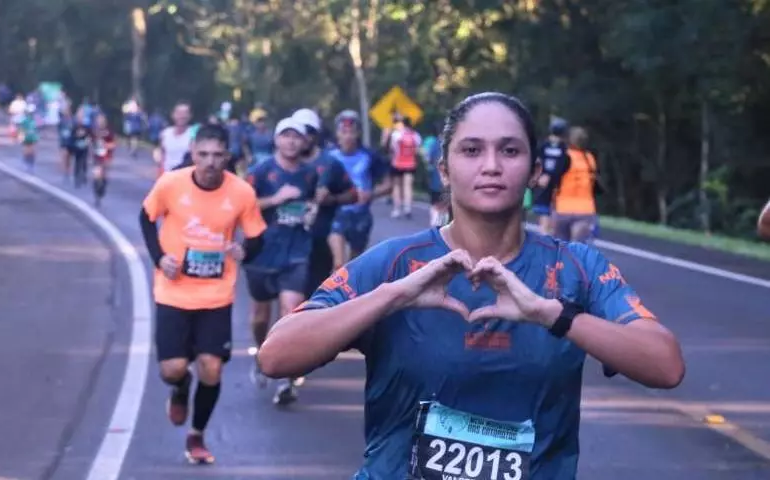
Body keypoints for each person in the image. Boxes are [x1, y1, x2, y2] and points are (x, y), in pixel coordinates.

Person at [257, 92, 685, 479]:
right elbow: (276, 356)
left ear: (535, 172)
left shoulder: (576, 267)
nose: (491, 166)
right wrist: (393, 296)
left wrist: (552, 315)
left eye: (510, 150)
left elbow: (665, 366)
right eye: (471, 150)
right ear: (444, 170)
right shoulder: (394, 264)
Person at [139, 123, 267, 464]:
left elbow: (257, 236)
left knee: (211, 368)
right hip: (173, 292)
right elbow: (146, 217)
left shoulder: (241, 193)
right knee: (172, 369)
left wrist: (245, 250)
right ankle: (181, 388)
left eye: (217, 155)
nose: (210, 162)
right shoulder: (171, 184)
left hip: (216, 295)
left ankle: (196, 435)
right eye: (204, 154)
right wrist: (159, 258)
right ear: (193, 154)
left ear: (227, 156)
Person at [244, 117, 318, 406]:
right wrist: (275, 199)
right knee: (260, 318)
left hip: (296, 252)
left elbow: (313, 202)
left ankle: (286, 378)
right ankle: (261, 351)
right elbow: (243, 205)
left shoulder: (310, 173)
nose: (291, 141)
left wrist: (311, 210)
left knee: (291, 312)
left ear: (304, 142)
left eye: (296, 137)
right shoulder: (260, 171)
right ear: (276, 139)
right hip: (262, 253)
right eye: (286, 135)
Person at [290, 108, 357, 299]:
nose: (305, 137)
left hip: (319, 240)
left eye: (309, 132)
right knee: (290, 297)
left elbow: (353, 195)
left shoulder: (330, 163)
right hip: (287, 242)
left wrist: (332, 199)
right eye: (299, 132)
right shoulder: (281, 162)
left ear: (316, 134)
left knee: (312, 296)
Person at [328, 110, 391, 269]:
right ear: (337, 133)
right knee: (339, 264)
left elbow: (388, 185)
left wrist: (371, 194)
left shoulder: (370, 156)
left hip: (360, 215)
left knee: (353, 267)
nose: (348, 136)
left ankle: (350, 284)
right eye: (344, 132)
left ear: (358, 133)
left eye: (352, 132)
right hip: (335, 214)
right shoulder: (328, 157)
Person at [553, 126, 601, 242]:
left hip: (563, 207)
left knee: (561, 245)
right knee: (578, 248)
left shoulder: (564, 156)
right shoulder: (590, 158)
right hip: (585, 208)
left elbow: (554, 179)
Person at [532, 118, 570, 235]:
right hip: (555, 183)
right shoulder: (563, 148)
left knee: (545, 212)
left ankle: (546, 234)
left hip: (546, 182)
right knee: (549, 211)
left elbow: (537, 161)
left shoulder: (544, 145)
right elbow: (565, 165)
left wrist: (540, 176)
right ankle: (547, 234)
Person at [389, 114, 422, 219]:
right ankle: (408, 208)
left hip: (397, 163)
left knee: (397, 186)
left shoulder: (396, 134)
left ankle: (397, 209)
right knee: (408, 186)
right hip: (410, 164)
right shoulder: (416, 135)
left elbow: (392, 149)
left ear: (402, 124)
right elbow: (417, 150)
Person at [154, 102, 193, 175]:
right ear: (173, 115)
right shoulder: (165, 133)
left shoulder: (193, 134)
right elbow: (161, 153)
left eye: (185, 113)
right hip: (167, 175)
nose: (182, 116)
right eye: (179, 113)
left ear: (190, 116)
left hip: (185, 176)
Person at [91, 113, 116, 207]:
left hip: (106, 156)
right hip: (97, 157)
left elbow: (113, 144)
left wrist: (106, 146)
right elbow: (90, 141)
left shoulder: (109, 131)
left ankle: (102, 188)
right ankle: (97, 194)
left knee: (104, 175)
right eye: (99, 120)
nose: (100, 122)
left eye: (102, 120)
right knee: (97, 175)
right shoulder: (94, 131)